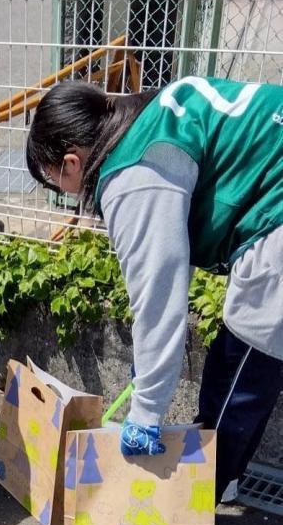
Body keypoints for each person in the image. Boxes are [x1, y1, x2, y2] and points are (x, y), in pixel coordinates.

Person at [25, 77, 283, 500]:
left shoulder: (133, 174)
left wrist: (146, 411)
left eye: (52, 179)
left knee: (243, 365)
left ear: (71, 162)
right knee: (248, 359)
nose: (62, 192)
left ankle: (201, 498)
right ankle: (225, 476)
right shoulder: (147, 117)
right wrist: (149, 370)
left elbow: (159, 295)